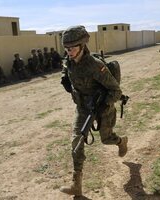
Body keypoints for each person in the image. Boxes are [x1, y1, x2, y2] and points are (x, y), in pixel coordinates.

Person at [60, 25, 128, 197]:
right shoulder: (68, 63)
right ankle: (77, 185)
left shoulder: (95, 65)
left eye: (72, 48)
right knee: (77, 140)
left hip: (103, 108)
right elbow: (68, 74)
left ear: (82, 45)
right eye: (67, 48)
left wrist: (105, 104)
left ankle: (121, 141)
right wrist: (66, 81)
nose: (69, 51)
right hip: (83, 108)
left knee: (106, 139)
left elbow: (116, 91)